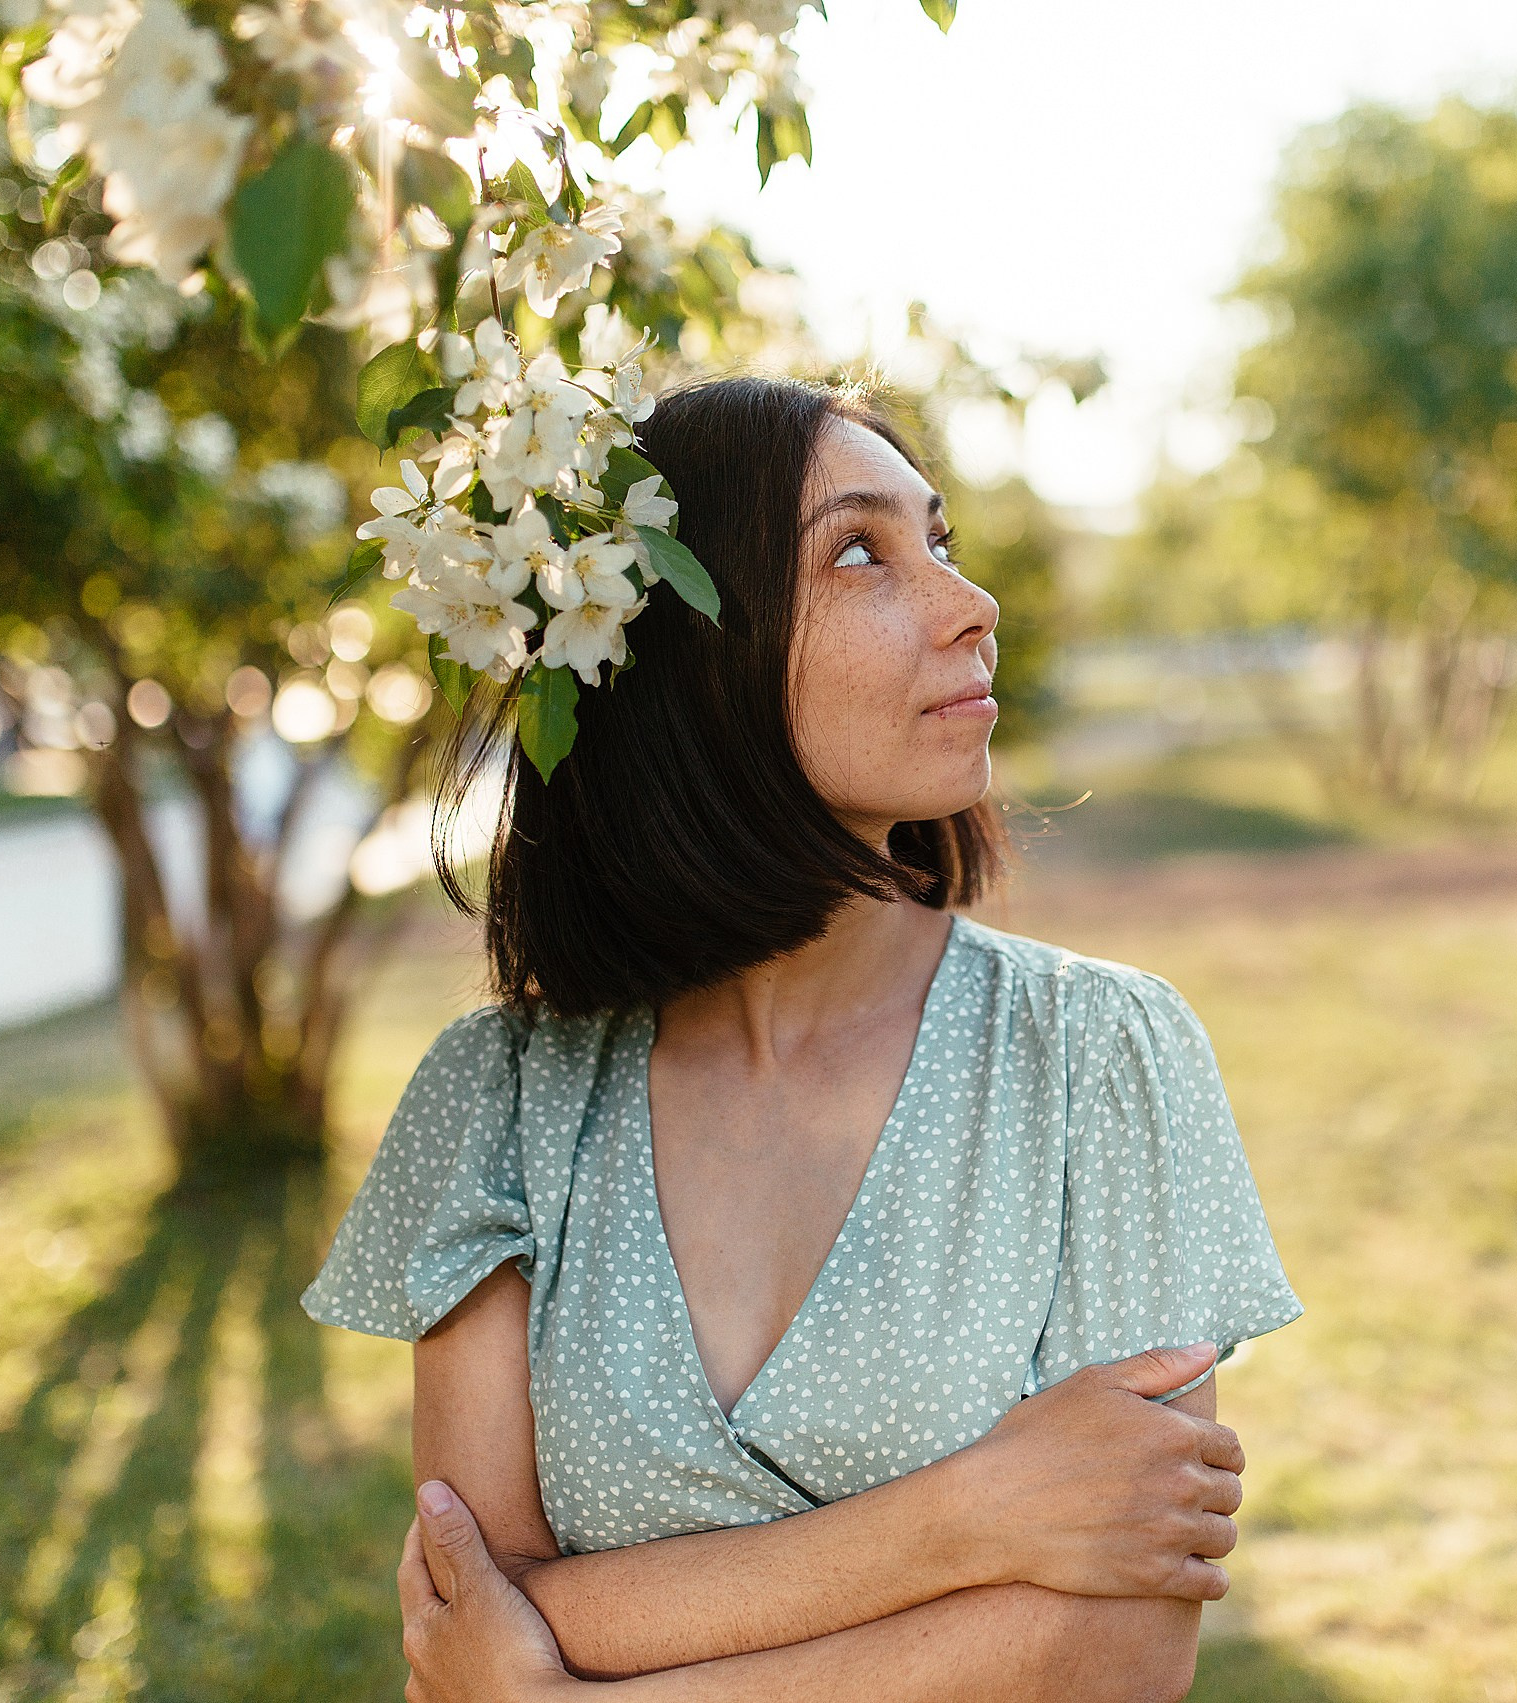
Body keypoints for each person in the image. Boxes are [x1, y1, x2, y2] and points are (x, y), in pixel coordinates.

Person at [303, 374, 1303, 1702]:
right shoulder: (494, 1103)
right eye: (858, 553)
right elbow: (474, 1609)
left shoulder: (1098, 1056)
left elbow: (1113, 1650)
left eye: (938, 541)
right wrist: (975, 1516)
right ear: (675, 654)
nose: (972, 605)